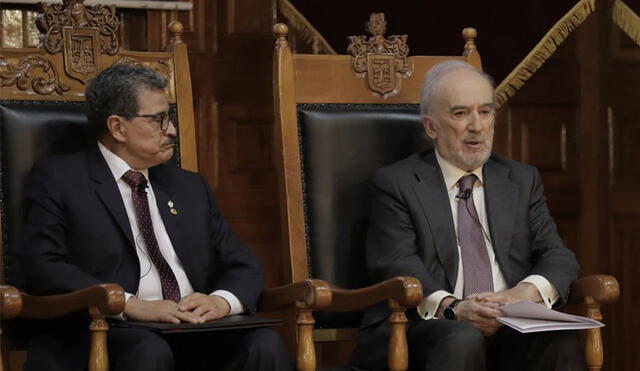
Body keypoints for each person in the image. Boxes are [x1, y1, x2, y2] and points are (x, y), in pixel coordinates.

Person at [18, 64, 292, 371]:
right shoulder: (59, 179)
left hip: (191, 328)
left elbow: (242, 263)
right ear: (117, 127)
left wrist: (220, 301)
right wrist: (129, 304)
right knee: (149, 350)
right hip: (107, 331)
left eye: (169, 118)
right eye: (158, 120)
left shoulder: (189, 186)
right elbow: (42, 266)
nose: (171, 129)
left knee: (263, 344)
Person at [351, 60, 584, 371]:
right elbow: (397, 265)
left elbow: (559, 256)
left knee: (562, 339)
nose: (477, 126)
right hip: (423, 329)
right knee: (461, 337)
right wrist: (455, 308)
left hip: (507, 326)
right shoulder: (397, 184)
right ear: (431, 127)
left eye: (485, 112)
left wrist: (519, 296)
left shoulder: (520, 179)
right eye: (461, 114)